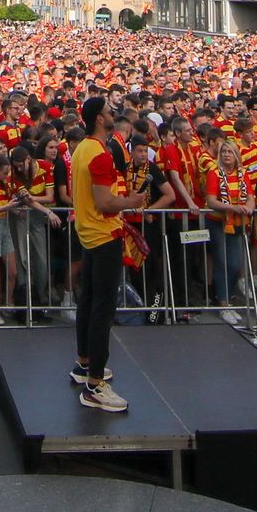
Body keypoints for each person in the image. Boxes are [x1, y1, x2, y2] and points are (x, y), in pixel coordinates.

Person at [69, 96, 143, 412]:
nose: (114, 115)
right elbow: (105, 202)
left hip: (89, 234)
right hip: (103, 235)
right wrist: (134, 201)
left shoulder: (82, 149)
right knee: (103, 308)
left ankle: (84, 363)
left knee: (89, 300)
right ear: (100, 118)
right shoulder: (99, 154)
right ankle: (96, 384)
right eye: (109, 112)